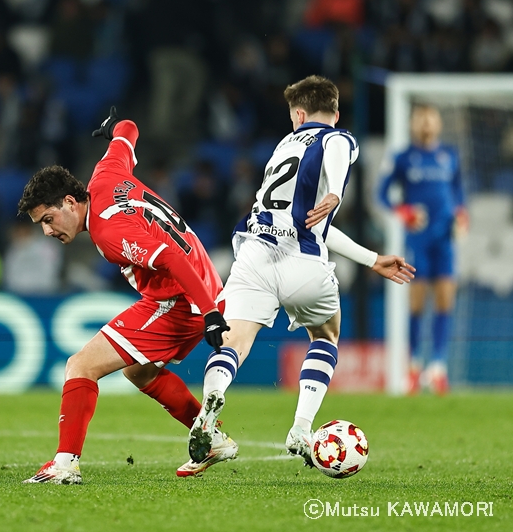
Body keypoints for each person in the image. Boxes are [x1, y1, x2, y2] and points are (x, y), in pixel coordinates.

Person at [185, 76, 416, 470]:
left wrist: (370, 257)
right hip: (303, 261)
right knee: (326, 334)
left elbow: (316, 219)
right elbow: (338, 154)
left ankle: (211, 401)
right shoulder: (338, 137)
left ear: (298, 113)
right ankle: (301, 427)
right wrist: (338, 194)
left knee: (234, 342)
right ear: (336, 113)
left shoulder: (282, 146)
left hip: (255, 255)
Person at [18, 107, 235, 484]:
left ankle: (65, 463)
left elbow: (168, 257)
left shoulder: (108, 231)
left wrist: (210, 313)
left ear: (70, 203)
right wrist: (112, 128)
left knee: (80, 366)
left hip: (183, 298)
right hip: (199, 283)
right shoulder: (105, 173)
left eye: (48, 220)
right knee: (139, 370)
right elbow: (129, 130)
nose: (47, 232)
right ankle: (211, 436)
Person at [378, 104, 467, 395]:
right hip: (417, 240)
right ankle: (414, 366)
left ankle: (438, 367)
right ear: (413, 124)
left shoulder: (449, 156)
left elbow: (458, 192)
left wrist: (461, 215)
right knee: (417, 302)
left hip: (445, 239)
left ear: (438, 123)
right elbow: (381, 193)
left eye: (431, 118)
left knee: (445, 299)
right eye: (421, 119)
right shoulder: (403, 158)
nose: (426, 123)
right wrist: (403, 211)